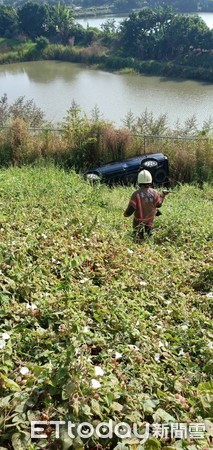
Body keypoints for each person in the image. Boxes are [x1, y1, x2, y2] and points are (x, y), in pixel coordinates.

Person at [124, 169, 170, 241]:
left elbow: (131, 209)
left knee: (138, 235)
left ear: (139, 181)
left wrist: (125, 214)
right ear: (150, 180)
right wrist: (163, 195)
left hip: (139, 221)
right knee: (149, 233)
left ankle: (139, 238)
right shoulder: (155, 192)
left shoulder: (136, 194)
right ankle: (149, 235)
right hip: (150, 219)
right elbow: (159, 205)